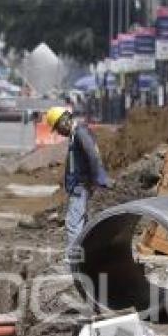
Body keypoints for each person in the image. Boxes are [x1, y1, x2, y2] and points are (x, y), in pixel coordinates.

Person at [45, 106, 110, 259]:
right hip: (79, 186)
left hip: (80, 186)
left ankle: (73, 263)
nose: (59, 132)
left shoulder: (80, 133)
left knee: (73, 224)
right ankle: (85, 259)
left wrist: (99, 179)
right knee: (82, 224)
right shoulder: (76, 134)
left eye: (57, 128)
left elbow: (93, 155)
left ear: (64, 121)